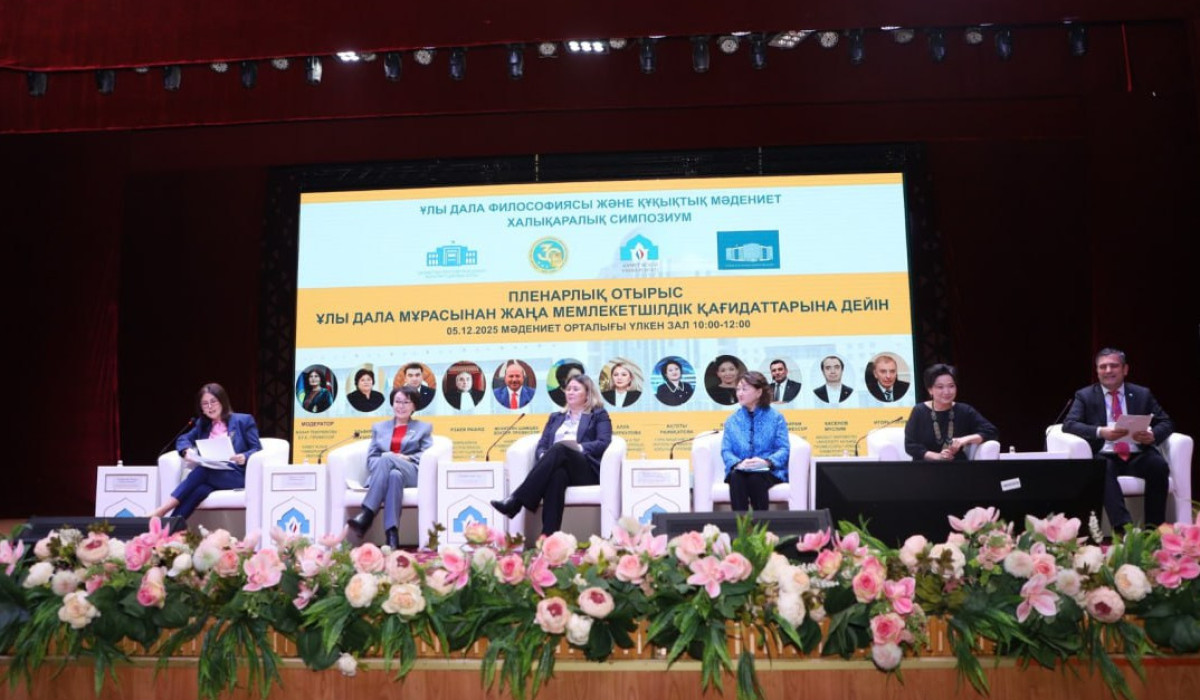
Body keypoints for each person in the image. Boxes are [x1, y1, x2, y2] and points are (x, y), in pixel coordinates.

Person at [1063, 348, 1174, 530]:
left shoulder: (1142, 394)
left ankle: (1153, 530)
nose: (1108, 371)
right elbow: (1069, 424)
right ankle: (1124, 529)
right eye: (1103, 367)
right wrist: (1101, 432)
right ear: (1097, 371)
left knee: (1158, 466)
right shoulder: (1085, 395)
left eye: (1113, 366)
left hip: (1138, 452)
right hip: (1105, 454)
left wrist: (1152, 435)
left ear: (1125, 369)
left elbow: (1166, 422)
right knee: (1102, 468)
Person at [490, 374, 612, 536]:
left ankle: (516, 501)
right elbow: (542, 445)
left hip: (585, 470)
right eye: (568, 389)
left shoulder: (598, 415)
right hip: (559, 464)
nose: (570, 392)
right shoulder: (556, 417)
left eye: (576, 389)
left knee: (559, 448)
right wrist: (543, 456)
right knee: (557, 476)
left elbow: (603, 442)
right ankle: (548, 537)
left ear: (588, 394)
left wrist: (579, 447)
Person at [150, 383, 262, 519]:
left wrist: (244, 456)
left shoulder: (243, 420)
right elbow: (183, 439)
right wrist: (186, 451)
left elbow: (256, 448)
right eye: (205, 404)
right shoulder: (202, 425)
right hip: (212, 474)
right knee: (200, 490)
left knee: (203, 471)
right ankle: (170, 526)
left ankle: (162, 510)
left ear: (223, 401)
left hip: (237, 475)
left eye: (213, 402)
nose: (210, 407)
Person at [347, 385, 434, 549]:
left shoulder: (423, 428)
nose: (401, 406)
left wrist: (407, 457)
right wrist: (386, 464)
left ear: (414, 406)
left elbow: (427, 454)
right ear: (392, 404)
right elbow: (372, 458)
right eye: (397, 401)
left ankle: (367, 514)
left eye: (406, 402)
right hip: (389, 475)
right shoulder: (379, 428)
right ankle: (392, 536)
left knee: (387, 458)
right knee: (394, 475)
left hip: (412, 472)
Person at [720, 371, 790, 511]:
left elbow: (783, 449)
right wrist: (739, 463)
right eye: (738, 389)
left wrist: (767, 462)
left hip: (768, 471)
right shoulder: (732, 420)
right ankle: (740, 523)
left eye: (744, 389)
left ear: (759, 392)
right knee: (736, 477)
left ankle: (761, 523)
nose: (739, 393)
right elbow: (726, 450)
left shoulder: (776, 418)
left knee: (755, 478)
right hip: (740, 469)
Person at [903, 364, 998, 461]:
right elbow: (910, 445)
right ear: (930, 390)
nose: (947, 392)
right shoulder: (919, 411)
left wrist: (964, 440)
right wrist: (937, 456)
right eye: (940, 387)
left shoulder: (964, 410)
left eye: (951, 386)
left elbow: (991, 431)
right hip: (925, 466)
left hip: (957, 465)